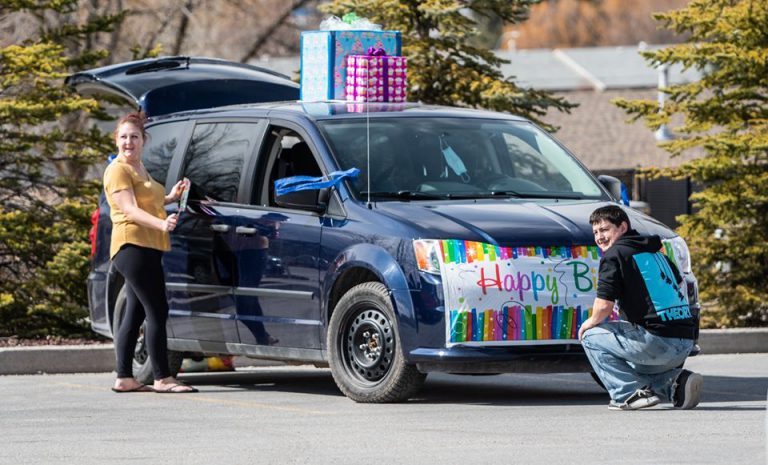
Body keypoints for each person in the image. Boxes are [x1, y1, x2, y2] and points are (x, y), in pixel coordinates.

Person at [104, 111, 197, 394]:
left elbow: (148, 201)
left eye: (134, 137)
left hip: (148, 246)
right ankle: (162, 377)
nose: (128, 142)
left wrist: (170, 197)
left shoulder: (139, 168)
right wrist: (161, 222)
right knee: (157, 309)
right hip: (132, 247)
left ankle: (124, 377)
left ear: (144, 140)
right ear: (116, 141)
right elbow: (129, 209)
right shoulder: (118, 170)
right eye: (123, 137)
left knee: (134, 314)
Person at [578, 205, 702, 410]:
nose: (600, 237)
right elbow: (678, 283)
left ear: (623, 227)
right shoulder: (656, 252)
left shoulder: (614, 255)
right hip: (685, 341)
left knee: (591, 336)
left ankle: (628, 395)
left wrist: (588, 324)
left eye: (605, 229)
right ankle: (676, 382)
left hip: (657, 342)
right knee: (630, 356)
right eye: (596, 232)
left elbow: (604, 306)